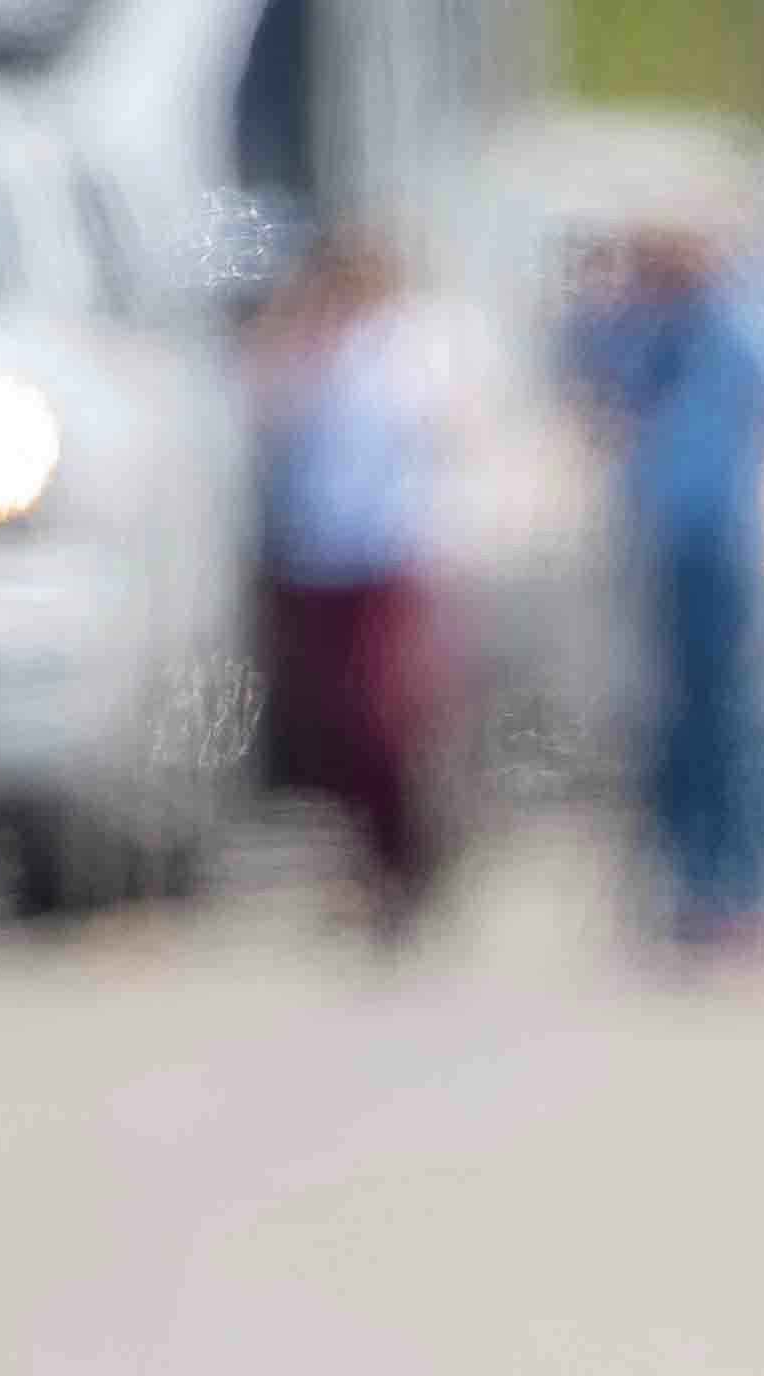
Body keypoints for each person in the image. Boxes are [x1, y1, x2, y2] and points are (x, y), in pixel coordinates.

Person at [564, 201, 764, 973]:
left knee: (747, 726)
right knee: (674, 728)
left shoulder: (743, 319)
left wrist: (721, 285)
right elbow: (584, 373)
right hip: (659, 545)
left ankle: (754, 894)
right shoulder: (634, 327)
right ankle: (688, 890)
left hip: (739, 547)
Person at [250, 238, 467, 949]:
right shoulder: (307, 352)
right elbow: (265, 413)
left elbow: (438, 429)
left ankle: (409, 856)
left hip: (388, 550)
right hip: (314, 553)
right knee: (329, 719)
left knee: (382, 713)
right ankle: (361, 864)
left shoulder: (407, 348)